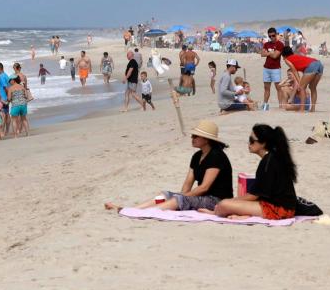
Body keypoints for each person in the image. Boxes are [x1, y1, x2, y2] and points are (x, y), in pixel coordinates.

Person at [104, 121, 232, 212]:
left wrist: (183, 197)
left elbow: (204, 187)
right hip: (201, 197)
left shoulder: (216, 156)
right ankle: (134, 209)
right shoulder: (197, 156)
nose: (192, 138)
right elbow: (188, 183)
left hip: (216, 200)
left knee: (178, 199)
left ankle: (146, 212)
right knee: (164, 195)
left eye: (195, 136)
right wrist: (182, 195)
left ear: (206, 139)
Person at [207, 124, 297, 220]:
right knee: (227, 204)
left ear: (263, 143)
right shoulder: (272, 158)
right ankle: (243, 215)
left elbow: (254, 195)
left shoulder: (269, 162)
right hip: (279, 205)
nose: (249, 144)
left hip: (278, 209)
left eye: (252, 140)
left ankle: (222, 212)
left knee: (224, 204)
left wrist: (231, 201)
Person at [281, 47, 324, 112]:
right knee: (312, 87)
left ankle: (302, 109)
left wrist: (299, 83)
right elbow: (304, 66)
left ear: (284, 55)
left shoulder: (287, 60)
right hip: (319, 64)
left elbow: (294, 71)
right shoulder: (296, 56)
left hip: (311, 66)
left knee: (302, 88)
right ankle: (313, 109)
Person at [259, 28, 285, 111]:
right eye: (270, 36)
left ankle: (280, 105)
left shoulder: (280, 44)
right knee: (266, 88)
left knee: (278, 87)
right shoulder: (266, 44)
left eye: (273, 35)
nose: (272, 37)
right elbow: (262, 54)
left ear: (276, 34)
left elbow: (275, 56)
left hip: (276, 69)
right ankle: (265, 104)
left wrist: (268, 53)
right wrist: (270, 53)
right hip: (266, 68)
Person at [0, 62, 11, 134]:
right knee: (7, 114)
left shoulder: (1, 76)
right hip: (6, 98)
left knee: (2, 116)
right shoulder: (6, 76)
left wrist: (7, 97)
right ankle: (6, 131)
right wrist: (9, 97)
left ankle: (2, 132)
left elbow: (5, 87)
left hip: (3, 98)